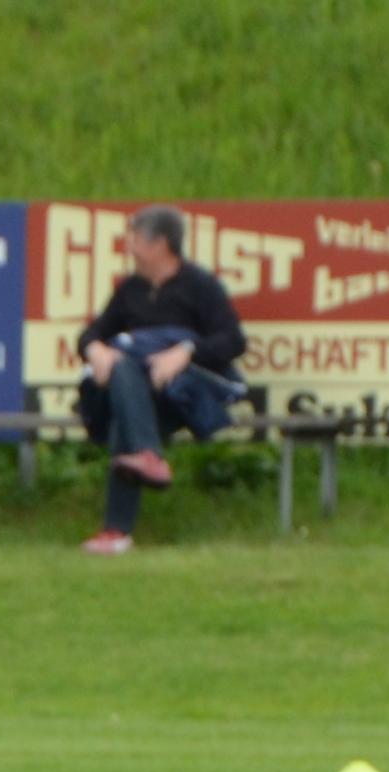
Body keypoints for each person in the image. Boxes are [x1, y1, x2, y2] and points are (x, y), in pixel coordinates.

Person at [71, 208, 247, 557]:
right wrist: (95, 350)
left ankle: (116, 530)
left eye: (135, 240)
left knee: (125, 407)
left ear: (159, 244)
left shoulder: (200, 285)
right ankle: (147, 457)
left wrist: (185, 352)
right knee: (122, 375)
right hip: (139, 397)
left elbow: (233, 340)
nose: (129, 248)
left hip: (181, 398)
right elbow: (93, 332)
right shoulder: (130, 289)